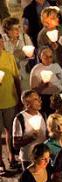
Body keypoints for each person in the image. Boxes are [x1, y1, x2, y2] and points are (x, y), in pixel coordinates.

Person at [0, 35, 22, 173]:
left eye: (0, 41)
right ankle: (0, 163)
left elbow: (16, 78)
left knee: (10, 131)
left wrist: (20, 97)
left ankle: (12, 158)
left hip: (10, 100)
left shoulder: (9, 57)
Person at [13, 90, 48, 170]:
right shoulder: (20, 118)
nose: (40, 101)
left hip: (43, 158)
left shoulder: (43, 115)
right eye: (36, 99)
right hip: (28, 159)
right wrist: (31, 138)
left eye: (39, 98)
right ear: (27, 104)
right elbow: (16, 144)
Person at [29, 47, 62, 116]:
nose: (48, 59)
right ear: (41, 57)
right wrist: (43, 85)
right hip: (44, 99)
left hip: (57, 97)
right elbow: (33, 89)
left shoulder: (56, 66)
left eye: (50, 57)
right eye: (45, 57)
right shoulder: (36, 70)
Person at [36, 7, 62, 75]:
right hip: (54, 67)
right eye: (53, 18)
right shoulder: (42, 35)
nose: (57, 19)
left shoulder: (60, 28)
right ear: (45, 21)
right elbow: (41, 55)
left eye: (57, 16)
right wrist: (50, 49)